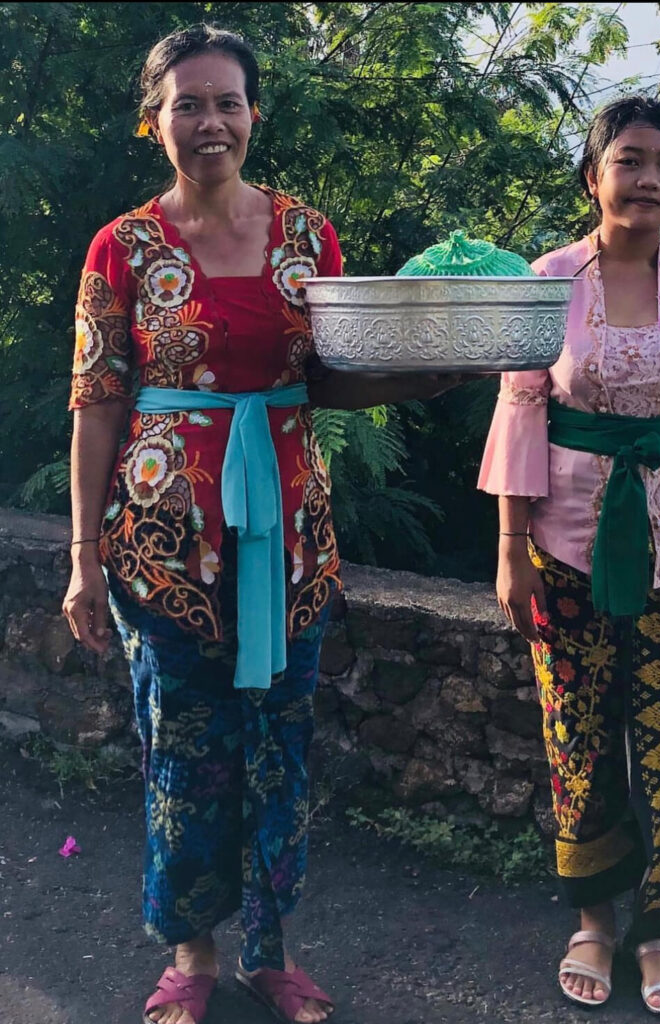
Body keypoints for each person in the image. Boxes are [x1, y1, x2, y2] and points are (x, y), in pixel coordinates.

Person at [62, 24, 459, 1024]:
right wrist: (79, 560)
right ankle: (192, 954)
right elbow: (99, 401)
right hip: (161, 551)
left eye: (227, 102)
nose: (209, 122)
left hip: (288, 545)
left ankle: (274, 950)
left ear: (253, 115)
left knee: (281, 747)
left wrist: (437, 371)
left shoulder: (304, 235)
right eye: (187, 103)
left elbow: (328, 378)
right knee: (183, 748)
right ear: (155, 120)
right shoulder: (123, 246)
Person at [479, 95, 660, 1015]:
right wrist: (511, 549)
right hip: (562, 544)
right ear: (593, 173)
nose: (649, 179)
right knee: (577, 729)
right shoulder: (547, 277)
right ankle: (595, 919)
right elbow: (522, 406)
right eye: (631, 159)